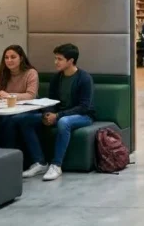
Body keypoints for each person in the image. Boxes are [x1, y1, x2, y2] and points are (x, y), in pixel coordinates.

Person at [15, 43, 95, 182]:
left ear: (70, 61)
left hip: (83, 116)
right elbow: (50, 101)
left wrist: (57, 116)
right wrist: (47, 114)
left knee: (64, 122)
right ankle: (39, 162)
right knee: (24, 120)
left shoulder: (84, 78)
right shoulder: (56, 78)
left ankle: (56, 165)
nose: (55, 62)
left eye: (59, 59)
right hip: (58, 114)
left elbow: (84, 106)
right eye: (55, 58)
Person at [0, 44, 39, 148]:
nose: (9, 60)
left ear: (21, 58)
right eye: (6, 58)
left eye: (13, 57)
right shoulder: (0, 73)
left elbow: (31, 95)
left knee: (8, 120)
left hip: (26, 109)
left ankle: (9, 152)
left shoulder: (31, 73)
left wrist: (9, 95)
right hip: (4, 108)